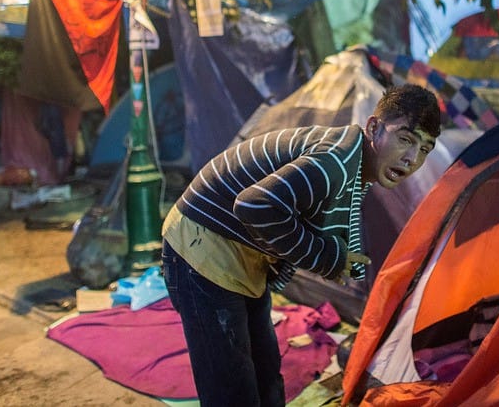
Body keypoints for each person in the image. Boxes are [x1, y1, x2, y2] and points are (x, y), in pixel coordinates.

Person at [160, 83, 442, 406]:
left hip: (244, 256)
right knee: (232, 390)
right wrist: (327, 257)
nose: (412, 158)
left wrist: (330, 256)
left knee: (266, 376)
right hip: (202, 248)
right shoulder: (334, 161)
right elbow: (254, 205)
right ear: (374, 128)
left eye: (425, 149)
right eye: (405, 139)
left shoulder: (355, 162)